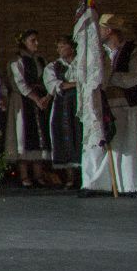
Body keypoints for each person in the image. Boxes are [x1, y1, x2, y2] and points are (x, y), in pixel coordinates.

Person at [85, 13, 137, 196]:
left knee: (130, 145)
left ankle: (132, 185)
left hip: (127, 104)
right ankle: (101, 184)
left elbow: (133, 78)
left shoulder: (133, 50)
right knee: (104, 143)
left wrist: (109, 77)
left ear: (109, 30)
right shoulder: (101, 53)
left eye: (101, 28)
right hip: (106, 104)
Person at [4, 30, 58, 187]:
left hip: (40, 100)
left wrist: (46, 97)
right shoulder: (17, 61)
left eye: (36, 40)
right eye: (32, 40)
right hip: (23, 101)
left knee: (39, 135)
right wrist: (35, 98)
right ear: (24, 43)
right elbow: (20, 83)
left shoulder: (40, 60)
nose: (36, 43)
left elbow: (48, 79)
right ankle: (24, 175)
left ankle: (38, 174)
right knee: (23, 134)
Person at [44, 35, 83, 182]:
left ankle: (84, 175)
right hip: (63, 107)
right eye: (58, 47)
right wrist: (76, 84)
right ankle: (70, 177)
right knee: (64, 137)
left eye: (62, 46)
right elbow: (56, 85)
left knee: (80, 135)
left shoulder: (81, 63)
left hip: (80, 104)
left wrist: (73, 84)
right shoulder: (53, 66)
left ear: (71, 47)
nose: (59, 50)